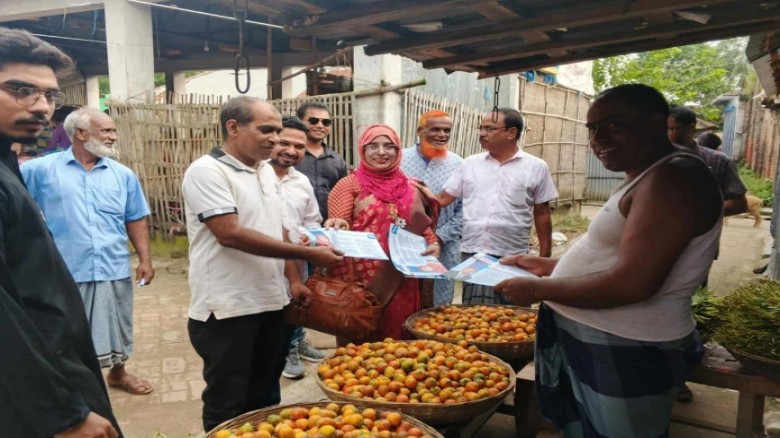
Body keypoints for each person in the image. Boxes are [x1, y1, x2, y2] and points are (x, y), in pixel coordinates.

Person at [495, 84, 723, 437]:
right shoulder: (647, 173)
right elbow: (621, 257)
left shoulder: (672, 178)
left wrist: (539, 289)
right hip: (601, 338)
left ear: (657, 122)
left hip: (627, 345)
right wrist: (549, 266)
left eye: (614, 124)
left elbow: (634, 284)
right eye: (592, 128)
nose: (598, 138)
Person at [182, 96, 343, 431]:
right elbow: (229, 234)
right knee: (228, 402)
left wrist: (294, 280)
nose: (275, 138)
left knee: (266, 398)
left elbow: (277, 229)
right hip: (228, 309)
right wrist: (309, 254)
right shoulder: (207, 171)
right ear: (233, 127)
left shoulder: (265, 171)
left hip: (273, 302)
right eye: (266, 130)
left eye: (277, 131)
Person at [0, 27, 120, 437]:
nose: (41, 107)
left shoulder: (7, 163)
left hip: (54, 362)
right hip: (32, 398)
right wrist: (63, 415)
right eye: (21, 90)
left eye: (49, 95)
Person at [23, 107, 156, 396]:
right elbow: (12, 201)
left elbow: (135, 217)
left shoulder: (122, 175)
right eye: (106, 130)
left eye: (113, 131)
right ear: (81, 133)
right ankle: (72, 382)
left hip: (112, 264)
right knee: (67, 328)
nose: (113, 136)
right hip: (65, 268)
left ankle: (118, 374)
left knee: (118, 323)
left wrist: (145, 259)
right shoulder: (39, 170)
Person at [324, 124, 440, 342]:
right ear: (363, 150)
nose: (381, 152)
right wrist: (337, 224)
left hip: (403, 277)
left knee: (401, 337)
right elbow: (340, 225)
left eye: (389, 146)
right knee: (361, 343)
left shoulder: (411, 186)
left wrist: (433, 242)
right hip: (362, 281)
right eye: (373, 146)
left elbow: (422, 225)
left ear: (398, 151)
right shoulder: (349, 185)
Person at [436, 108, 558, 305]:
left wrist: (544, 257)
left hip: (514, 253)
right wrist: (409, 190)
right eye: (481, 128)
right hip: (475, 252)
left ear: (511, 133)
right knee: (474, 314)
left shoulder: (536, 167)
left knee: (513, 314)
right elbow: (442, 199)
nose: (482, 133)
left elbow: (542, 214)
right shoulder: (470, 164)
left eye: (489, 129)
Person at [268, 116, 328, 380]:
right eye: (284, 143)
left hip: (298, 262)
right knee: (271, 316)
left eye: (299, 146)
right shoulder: (254, 177)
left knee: (296, 306)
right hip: (263, 264)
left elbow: (312, 220)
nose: (291, 151)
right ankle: (283, 352)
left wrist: (308, 237)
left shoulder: (301, 181)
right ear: (271, 140)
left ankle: (295, 344)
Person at [401, 110, 463, 306]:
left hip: (445, 244)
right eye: (435, 129)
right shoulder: (399, 159)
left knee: (440, 305)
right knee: (404, 298)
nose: (442, 135)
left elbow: (466, 209)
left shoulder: (459, 164)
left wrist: (440, 237)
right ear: (421, 131)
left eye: (447, 130)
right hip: (404, 243)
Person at [669, 106, 747, 217]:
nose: (665, 135)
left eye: (671, 129)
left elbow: (739, 204)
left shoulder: (718, 161)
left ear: (690, 128)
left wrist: (698, 214)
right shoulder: (650, 160)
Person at [295, 102, 348, 221]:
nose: (320, 125)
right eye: (313, 121)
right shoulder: (290, 156)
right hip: (293, 223)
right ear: (300, 122)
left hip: (328, 225)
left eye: (326, 122)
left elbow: (343, 196)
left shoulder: (337, 161)